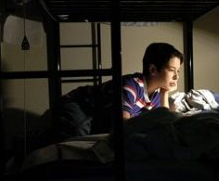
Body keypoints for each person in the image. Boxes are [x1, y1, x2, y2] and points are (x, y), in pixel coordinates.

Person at [50, 42, 183, 141]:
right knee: (78, 131)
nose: (177, 76)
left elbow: (164, 119)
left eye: (178, 71)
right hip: (79, 103)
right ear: (153, 69)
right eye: (172, 70)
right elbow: (124, 125)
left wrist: (165, 93)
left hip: (98, 114)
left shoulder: (155, 95)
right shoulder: (131, 86)